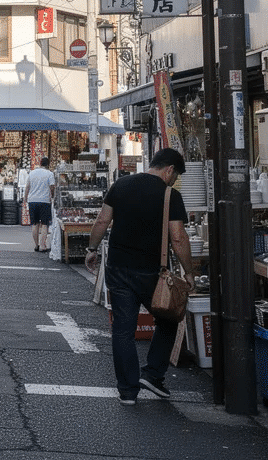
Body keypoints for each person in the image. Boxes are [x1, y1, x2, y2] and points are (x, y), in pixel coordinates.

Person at [84, 147, 195, 404]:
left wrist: (92, 249)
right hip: (151, 272)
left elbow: (102, 221)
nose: (174, 180)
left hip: (118, 268)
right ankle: (153, 374)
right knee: (168, 319)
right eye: (175, 175)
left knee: (123, 330)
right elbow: (178, 237)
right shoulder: (170, 195)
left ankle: (127, 391)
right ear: (169, 170)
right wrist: (189, 272)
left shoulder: (120, 185)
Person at [22, 157, 56, 252]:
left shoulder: (32, 173)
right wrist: (52, 196)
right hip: (44, 201)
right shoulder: (49, 174)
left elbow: (27, 187)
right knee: (45, 224)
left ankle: (36, 245)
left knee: (34, 223)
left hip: (32, 201)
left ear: (40, 163)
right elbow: (52, 187)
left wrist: (25, 199)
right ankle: (42, 246)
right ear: (48, 164)